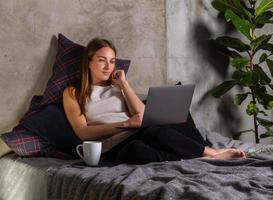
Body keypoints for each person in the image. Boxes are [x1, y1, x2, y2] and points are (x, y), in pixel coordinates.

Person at [63, 38, 246, 165]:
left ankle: (210, 154)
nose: (108, 66)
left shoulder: (117, 87)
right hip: (112, 145)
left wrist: (124, 84)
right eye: (102, 60)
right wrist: (125, 124)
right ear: (88, 62)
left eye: (112, 61)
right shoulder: (73, 92)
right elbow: (83, 133)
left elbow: (144, 116)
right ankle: (201, 157)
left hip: (140, 131)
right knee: (137, 151)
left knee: (159, 131)